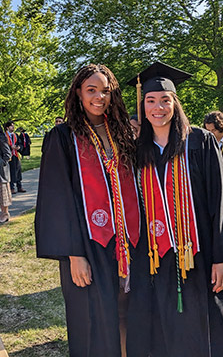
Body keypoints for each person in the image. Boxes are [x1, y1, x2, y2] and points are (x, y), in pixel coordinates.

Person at [128, 61, 223, 357]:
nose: (158, 107)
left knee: (209, 321)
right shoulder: (137, 150)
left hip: (200, 251)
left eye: (165, 100)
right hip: (155, 255)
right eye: (151, 101)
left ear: (175, 103)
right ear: (143, 105)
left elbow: (221, 199)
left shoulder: (199, 141)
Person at [35, 64, 148, 357]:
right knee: (95, 319)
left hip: (130, 242)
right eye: (92, 90)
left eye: (106, 91)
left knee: (129, 314)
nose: (99, 97)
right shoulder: (62, 137)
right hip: (89, 244)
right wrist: (74, 254)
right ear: (78, 93)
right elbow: (56, 199)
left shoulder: (122, 132)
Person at [4, 121, 26, 194]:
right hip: (8, 156)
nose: (13, 127)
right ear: (7, 127)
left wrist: (19, 147)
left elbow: (20, 143)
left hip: (16, 155)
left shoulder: (15, 135)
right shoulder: (4, 136)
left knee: (18, 171)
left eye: (13, 126)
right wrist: (10, 147)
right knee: (10, 171)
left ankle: (19, 186)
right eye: (11, 126)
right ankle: (11, 187)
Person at [0, 125, 12, 223]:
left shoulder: (1, 137)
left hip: (1, 172)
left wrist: (1, 162)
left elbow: (7, 154)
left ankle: (5, 213)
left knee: (3, 195)